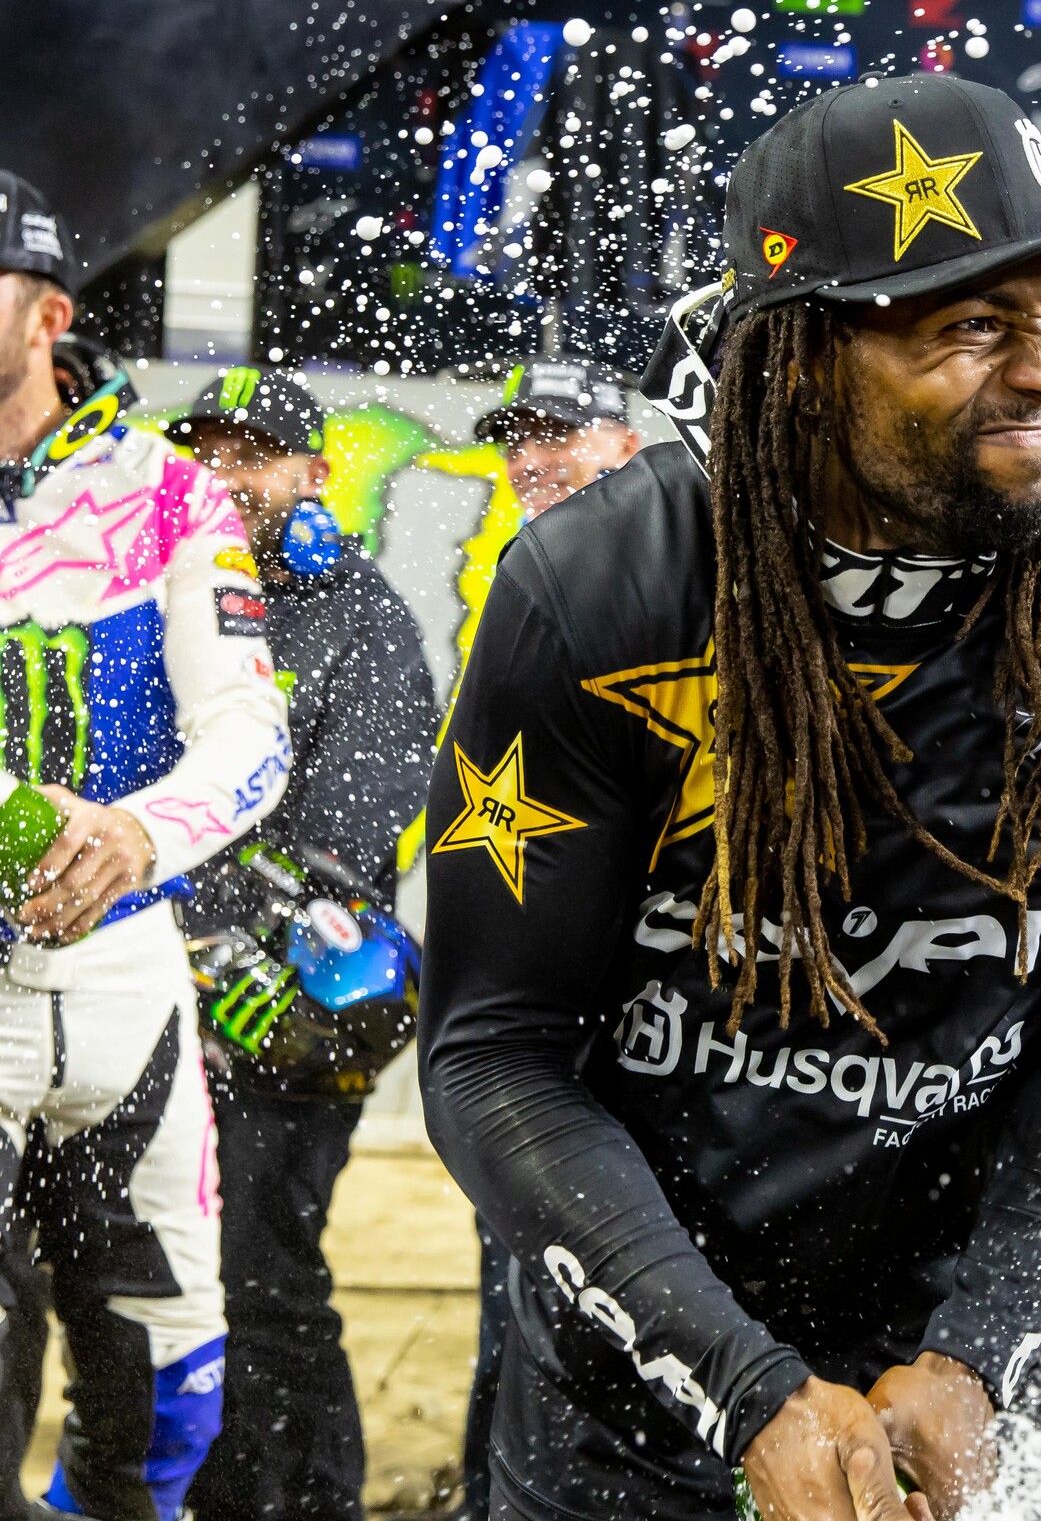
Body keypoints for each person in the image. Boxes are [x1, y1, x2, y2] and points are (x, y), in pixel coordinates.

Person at [418, 73, 1041, 1521]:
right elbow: (495, 1055)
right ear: (799, 360)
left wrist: (980, 1348)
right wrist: (743, 1386)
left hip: (945, 1396)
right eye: (972, 328)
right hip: (634, 1386)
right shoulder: (600, 596)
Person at [0, 171, 291, 1519]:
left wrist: (136, 832)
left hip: (129, 980)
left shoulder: (170, 495)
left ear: (49, 314)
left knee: (170, 1396)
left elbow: (250, 734)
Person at [157, 367, 438, 1521]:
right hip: (160, 996)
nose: (225, 476)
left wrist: (200, 917)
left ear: (314, 472)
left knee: (262, 1277)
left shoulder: (365, 619)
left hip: (292, 1009)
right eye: (208, 452)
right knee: (173, 1283)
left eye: (253, 455)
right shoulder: (166, 593)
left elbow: (346, 841)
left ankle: (307, 1504)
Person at [448, 352, 641, 1521]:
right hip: (533, 1002)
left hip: (644, 1008)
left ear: (628, 444)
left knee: (611, 1292)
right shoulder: (514, 576)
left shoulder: (670, 574)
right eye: (519, 436)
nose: (533, 456)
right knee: (515, 1279)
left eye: (561, 432)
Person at [479, 356, 641, 522]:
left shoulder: (652, 534)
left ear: (625, 447)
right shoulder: (512, 536)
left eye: (556, 435)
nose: (529, 463)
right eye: (513, 442)